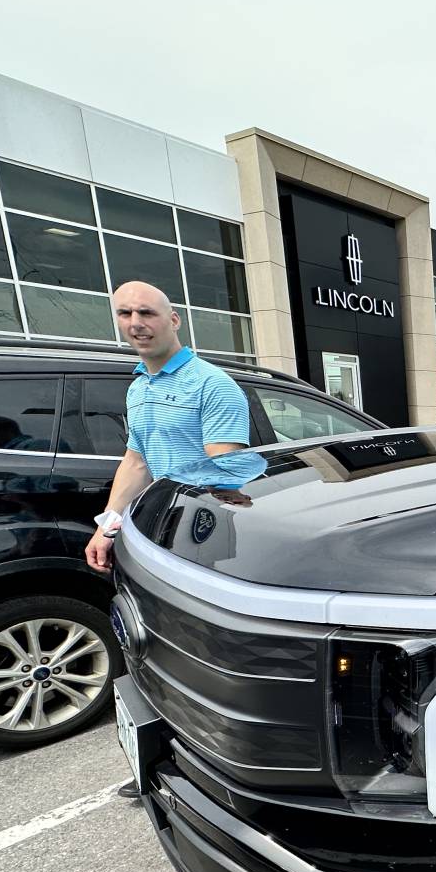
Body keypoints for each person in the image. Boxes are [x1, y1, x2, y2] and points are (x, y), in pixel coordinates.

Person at [86, 280, 255, 796]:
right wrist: (107, 525)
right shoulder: (139, 387)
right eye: (124, 313)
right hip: (152, 536)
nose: (136, 322)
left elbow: (224, 475)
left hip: (200, 540)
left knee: (204, 661)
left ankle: (218, 772)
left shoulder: (213, 386)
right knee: (148, 650)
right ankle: (157, 762)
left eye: (147, 312)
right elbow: (136, 462)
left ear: (174, 319)